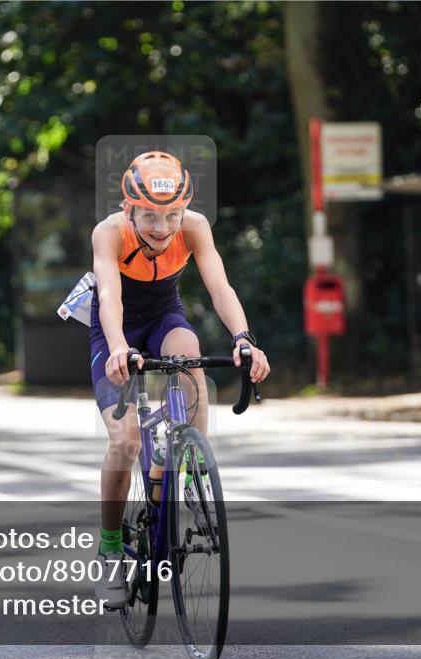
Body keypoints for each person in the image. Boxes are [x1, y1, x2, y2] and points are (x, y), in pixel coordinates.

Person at [90, 151, 270, 608]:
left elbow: (219, 288)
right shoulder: (109, 233)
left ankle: (186, 463)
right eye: (149, 215)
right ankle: (111, 548)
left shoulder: (194, 227)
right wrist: (116, 348)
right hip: (116, 328)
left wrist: (244, 339)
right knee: (126, 440)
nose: (161, 226)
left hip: (164, 316)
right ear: (128, 208)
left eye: (171, 215)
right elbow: (110, 295)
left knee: (189, 355)